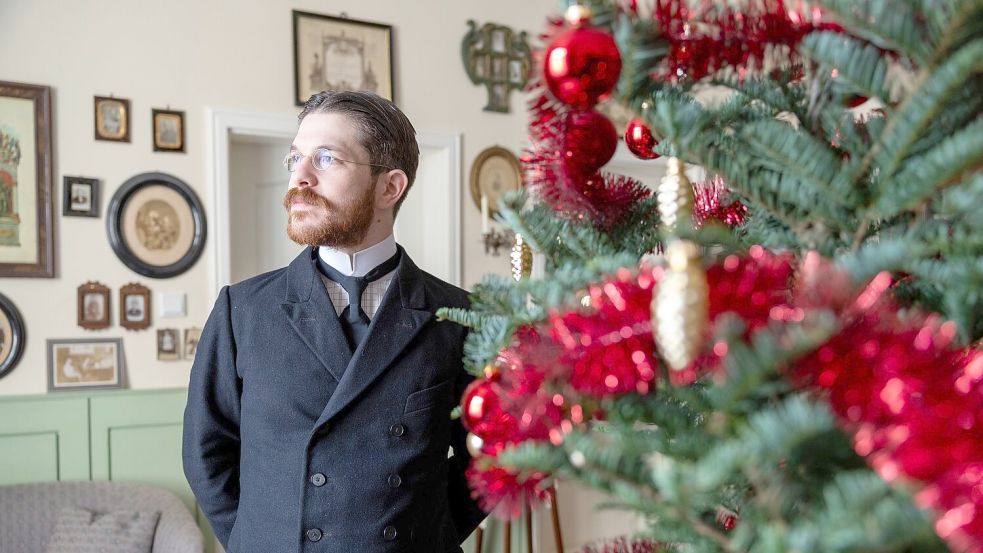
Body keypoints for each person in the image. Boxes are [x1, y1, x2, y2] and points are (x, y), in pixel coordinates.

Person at [183, 91, 485, 552]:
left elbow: (489, 458)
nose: (299, 176)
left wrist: (429, 536)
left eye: (326, 159)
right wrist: (259, 541)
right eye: (295, 157)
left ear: (390, 187)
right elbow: (207, 456)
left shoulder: (459, 316)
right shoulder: (241, 311)